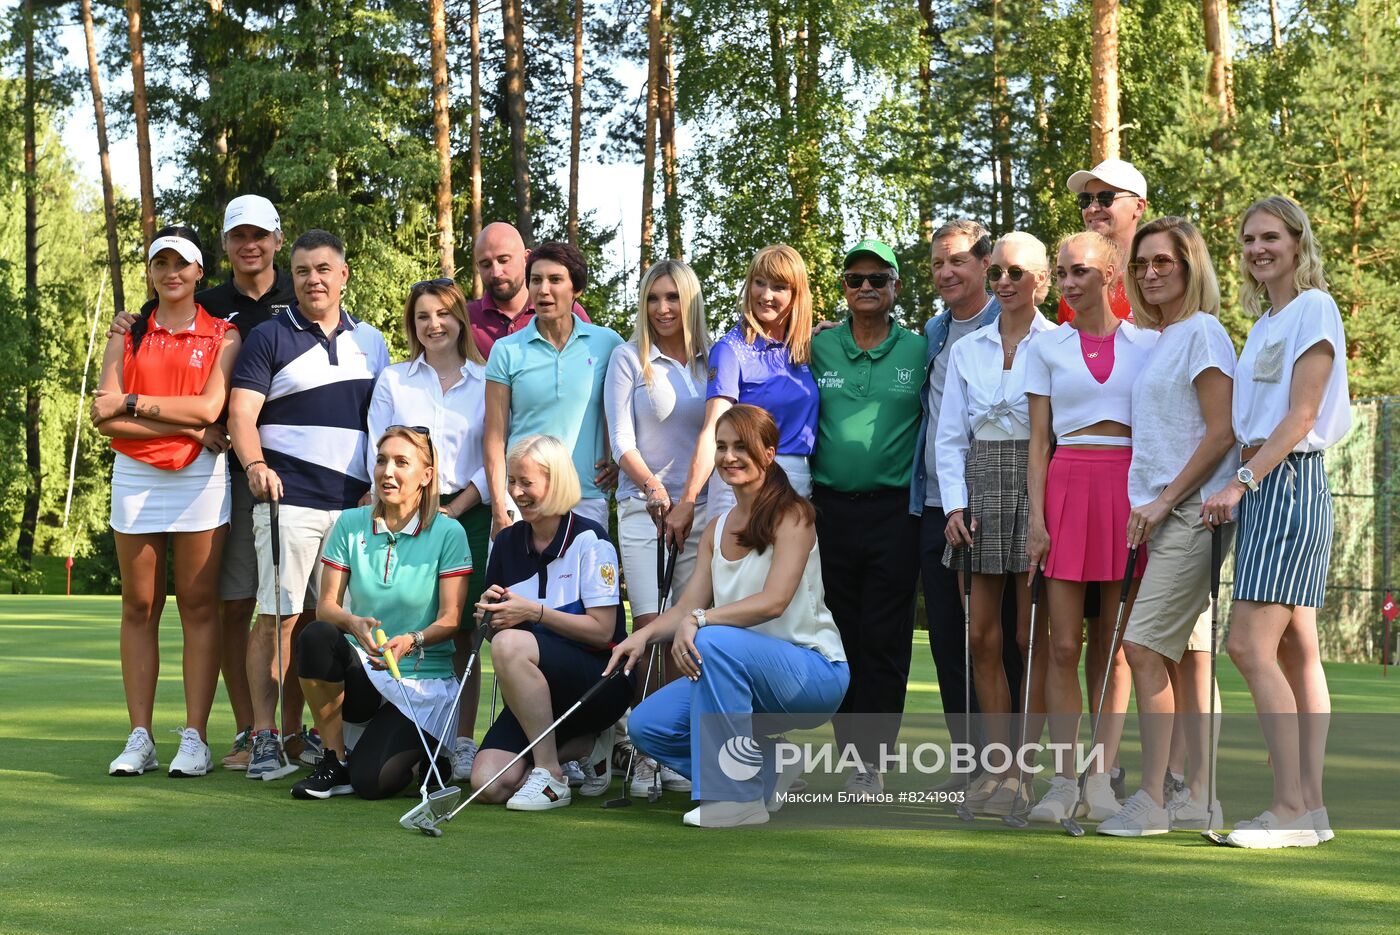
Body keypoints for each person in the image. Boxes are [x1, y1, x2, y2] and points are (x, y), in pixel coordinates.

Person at [614, 405, 849, 828]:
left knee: (710, 639)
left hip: (812, 673)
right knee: (648, 726)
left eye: (741, 447)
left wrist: (701, 620)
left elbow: (774, 601)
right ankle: (771, 768)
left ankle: (736, 796)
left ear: (769, 453)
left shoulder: (794, 515)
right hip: (741, 672)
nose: (728, 457)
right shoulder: (717, 528)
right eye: (721, 447)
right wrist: (643, 637)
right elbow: (685, 609)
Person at [1203, 196, 1350, 849]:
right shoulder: (1263, 322)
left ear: (1296, 242)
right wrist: (1236, 482)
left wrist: (1241, 484)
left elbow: (1299, 417)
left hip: (1286, 484)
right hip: (1264, 483)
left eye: (1269, 237)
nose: (1257, 248)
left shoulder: (1313, 308)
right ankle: (1308, 808)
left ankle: (1292, 807)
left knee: (1247, 647)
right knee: (1291, 650)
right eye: (1248, 239)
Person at [228, 229, 390, 779]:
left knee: (332, 625)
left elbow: (382, 425)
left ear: (343, 275)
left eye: (324, 269)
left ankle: (320, 739)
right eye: (302, 271)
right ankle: (266, 734)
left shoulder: (372, 342)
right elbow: (241, 417)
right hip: (288, 501)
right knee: (278, 617)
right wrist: (255, 467)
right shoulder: (270, 336)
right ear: (291, 277)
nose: (313, 279)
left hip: (353, 510)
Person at [1095, 217, 1238, 837]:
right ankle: (1201, 798)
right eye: (1143, 263)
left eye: (1165, 263)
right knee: (1185, 656)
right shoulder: (1165, 337)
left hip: (1190, 514)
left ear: (1190, 267)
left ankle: (1151, 800)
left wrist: (1163, 502)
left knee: (1143, 647)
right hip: (1167, 515)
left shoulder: (1202, 332)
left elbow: (1222, 432)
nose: (1151, 273)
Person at [95, 226, 241, 778]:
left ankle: (196, 737)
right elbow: (103, 414)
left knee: (199, 605)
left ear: (200, 272)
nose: (171, 273)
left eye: (182, 264)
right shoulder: (127, 334)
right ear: (151, 273)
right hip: (135, 474)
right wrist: (180, 422)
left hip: (198, 478)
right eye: (161, 264)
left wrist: (136, 403)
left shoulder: (224, 335)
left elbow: (210, 409)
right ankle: (140, 735)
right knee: (139, 605)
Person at [1024, 230, 1156, 823]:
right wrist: (1035, 519)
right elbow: (1036, 444)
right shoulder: (1046, 347)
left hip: (1127, 488)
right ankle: (1060, 780)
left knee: (1115, 649)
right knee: (1060, 644)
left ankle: (1100, 778)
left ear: (1110, 271)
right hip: (1066, 483)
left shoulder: (1148, 343)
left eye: (1080, 271)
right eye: (1063, 272)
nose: (1070, 282)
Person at [937, 231, 1057, 814]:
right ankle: (997, 769)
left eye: (1018, 273)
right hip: (979, 488)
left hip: (1039, 489)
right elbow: (951, 436)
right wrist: (955, 506)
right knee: (981, 636)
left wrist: (1044, 511)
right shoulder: (968, 349)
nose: (1006, 282)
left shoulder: (1060, 344)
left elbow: (1056, 435)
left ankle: (1025, 774)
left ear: (1042, 280)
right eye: (1000, 272)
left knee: (1026, 638)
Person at [290, 426, 470, 800]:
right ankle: (334, 759)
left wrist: (413, 640)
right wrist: (352, 623)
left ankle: (427, 757)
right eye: (382, 460)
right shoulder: (351, 523)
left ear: (426, 476)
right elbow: (327, 606)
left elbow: (452, 620)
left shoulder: (449, 532)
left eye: (401, 462)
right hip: (366, 673)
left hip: (423, 681)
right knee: (317, 635)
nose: (387, 471)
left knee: (371, 783)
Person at [809, 240, 926, 795]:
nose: (866, 289)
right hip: (828, 512)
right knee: (839, 634)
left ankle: (871, 761)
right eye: (855, 280)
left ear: (895, 287)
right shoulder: (820, 346)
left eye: (878, 279)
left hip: (894, 513)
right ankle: (850, 753)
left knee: (885, 640)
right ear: (844, 289)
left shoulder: (920, 349)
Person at [468, 435, 634, 810]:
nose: (516, 492)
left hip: (599, 683)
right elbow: (501, 637)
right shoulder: (507, 542)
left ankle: (550, 775)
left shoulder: (592, 540)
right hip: (536, 692)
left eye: (526, 482)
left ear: (555, 482)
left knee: (512, 644)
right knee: (488, 783)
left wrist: (533, 613)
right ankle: (589, 747)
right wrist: (489, 621)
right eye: (512, 481)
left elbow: (603, 631)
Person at [367, 278, 490, 784]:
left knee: (460, 629)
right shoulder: (395, 380)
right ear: (412, 325)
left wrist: (455, 510)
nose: (433, 324)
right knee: (407, 621)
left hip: (468, 513)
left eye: (443, 313)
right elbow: (376, 450)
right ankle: (405, 729)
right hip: (402, 514)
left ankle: (460, 741)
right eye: (422, 316)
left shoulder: (487, 381)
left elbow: (492, 457)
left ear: (460, 317)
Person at [604, 259, 713, 793]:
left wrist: (686, 500)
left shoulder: (713, 362)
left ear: (689, 300)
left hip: (700, 511)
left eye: (672, 297)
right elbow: (621, 439)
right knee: (648, 625)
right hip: (642, 508)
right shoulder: (630, 358)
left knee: (685, 630)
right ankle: (644, 752)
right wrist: (654, 489)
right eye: (653, 298)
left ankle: (672, 750)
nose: (663, 308)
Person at [910, 219, 1002, 773]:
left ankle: (1011, 762)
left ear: (984, 264)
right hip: (935, 506)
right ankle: (971, 763)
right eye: (939, 263)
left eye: (958, 261)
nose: (946, 272)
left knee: (996, 639)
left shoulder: (1014, 323)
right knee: (947, 639)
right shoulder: (933, 331)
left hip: (995, 505)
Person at [665, 245, 819, 553]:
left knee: (793, 590)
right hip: (743, 481)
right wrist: (689, 500)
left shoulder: (804, 349)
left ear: (796, 294)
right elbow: (712, 430)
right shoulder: (731, 349)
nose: (765, 295)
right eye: (759, 283)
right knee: (740, 586)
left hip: (798, 485)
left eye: (778, 287)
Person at [483, 241, 623, 535]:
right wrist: (499, 505)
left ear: (577, 289)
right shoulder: (506, 350)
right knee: (514, 583)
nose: (543, 289)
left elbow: (626, 416)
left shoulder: (608, 344)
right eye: (536, 280)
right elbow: (495, 436)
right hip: (521, 501)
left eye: (555, 280)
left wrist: (619, 462)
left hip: (586, 496)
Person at [468, 222, 590, 358]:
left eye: (503, 260)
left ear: (526, 258)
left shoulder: (567, 310)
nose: (496, 272)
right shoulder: (466, 319)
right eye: (486, 265)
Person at [1059, 159, 1147, 324]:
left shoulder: (1158, 278)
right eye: (1086, 199)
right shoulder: (1073, 285)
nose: (1092, 208)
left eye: (1106, 198)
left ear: (1139, 207)